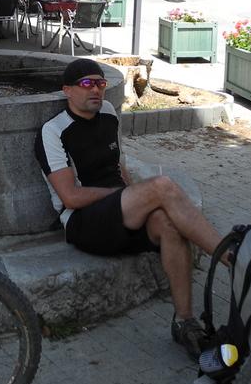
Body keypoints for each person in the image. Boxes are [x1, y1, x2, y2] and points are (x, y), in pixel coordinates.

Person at [34, 58, 224, 360]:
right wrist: (129, 194)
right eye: (86, 84)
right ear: (67, 90)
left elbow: (118, 165)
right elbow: (69, 197)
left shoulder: (109, 114)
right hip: (84, 223)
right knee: (161, 186)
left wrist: (134, 195)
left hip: (120, 212)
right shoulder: (54, 131)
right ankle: (231, 258)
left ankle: (185, 321)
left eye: (100, 83)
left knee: (169, 224)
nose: (95, 90)